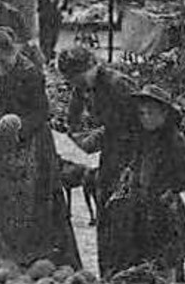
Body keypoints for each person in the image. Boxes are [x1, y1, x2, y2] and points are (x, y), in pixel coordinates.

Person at [0, 26, 81, 270]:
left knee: (35, 198)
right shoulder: (0, 69)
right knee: (3, 195)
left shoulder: (30, 73)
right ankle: (3, 253)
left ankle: (35, 255)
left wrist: (20, 126)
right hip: (7, 140)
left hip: (33, 143)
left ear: (6, 50)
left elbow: (42, 112)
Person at [98, 85, 185, 281]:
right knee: (143, 259)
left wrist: (173, 189)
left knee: (167, 262)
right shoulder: (141, 139)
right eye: (142, 113)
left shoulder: (172, 141)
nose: (146, 118)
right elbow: (134, 164)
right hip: (141, 208)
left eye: (151, 113)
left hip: (165, 211)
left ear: (164, 114)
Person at [57, 45, 141, 217]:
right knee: (105, 200)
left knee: (124, 204)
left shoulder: (117, 84)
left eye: (78, 79)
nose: (76, 85)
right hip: (110, 150)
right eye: (71, 80)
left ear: (91, 67)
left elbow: (137, 123)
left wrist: (97, 136)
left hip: (131, 151)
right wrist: (75, 138)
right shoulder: (83, 86)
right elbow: (73, 118)